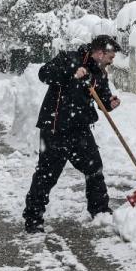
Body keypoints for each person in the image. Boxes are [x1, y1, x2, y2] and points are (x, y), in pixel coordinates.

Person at [22, 34, 121, 234]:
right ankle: (33, 217)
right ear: (100, 53)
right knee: (47, 174)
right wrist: (71, 72)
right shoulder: (68, 58)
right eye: (110, 56)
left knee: (94, 168)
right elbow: (44, 74)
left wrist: (110, 103)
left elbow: (102, 97)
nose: (112, 60)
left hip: (80, 129)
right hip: (55, 128)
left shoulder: (99, 73)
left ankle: (100, 210)